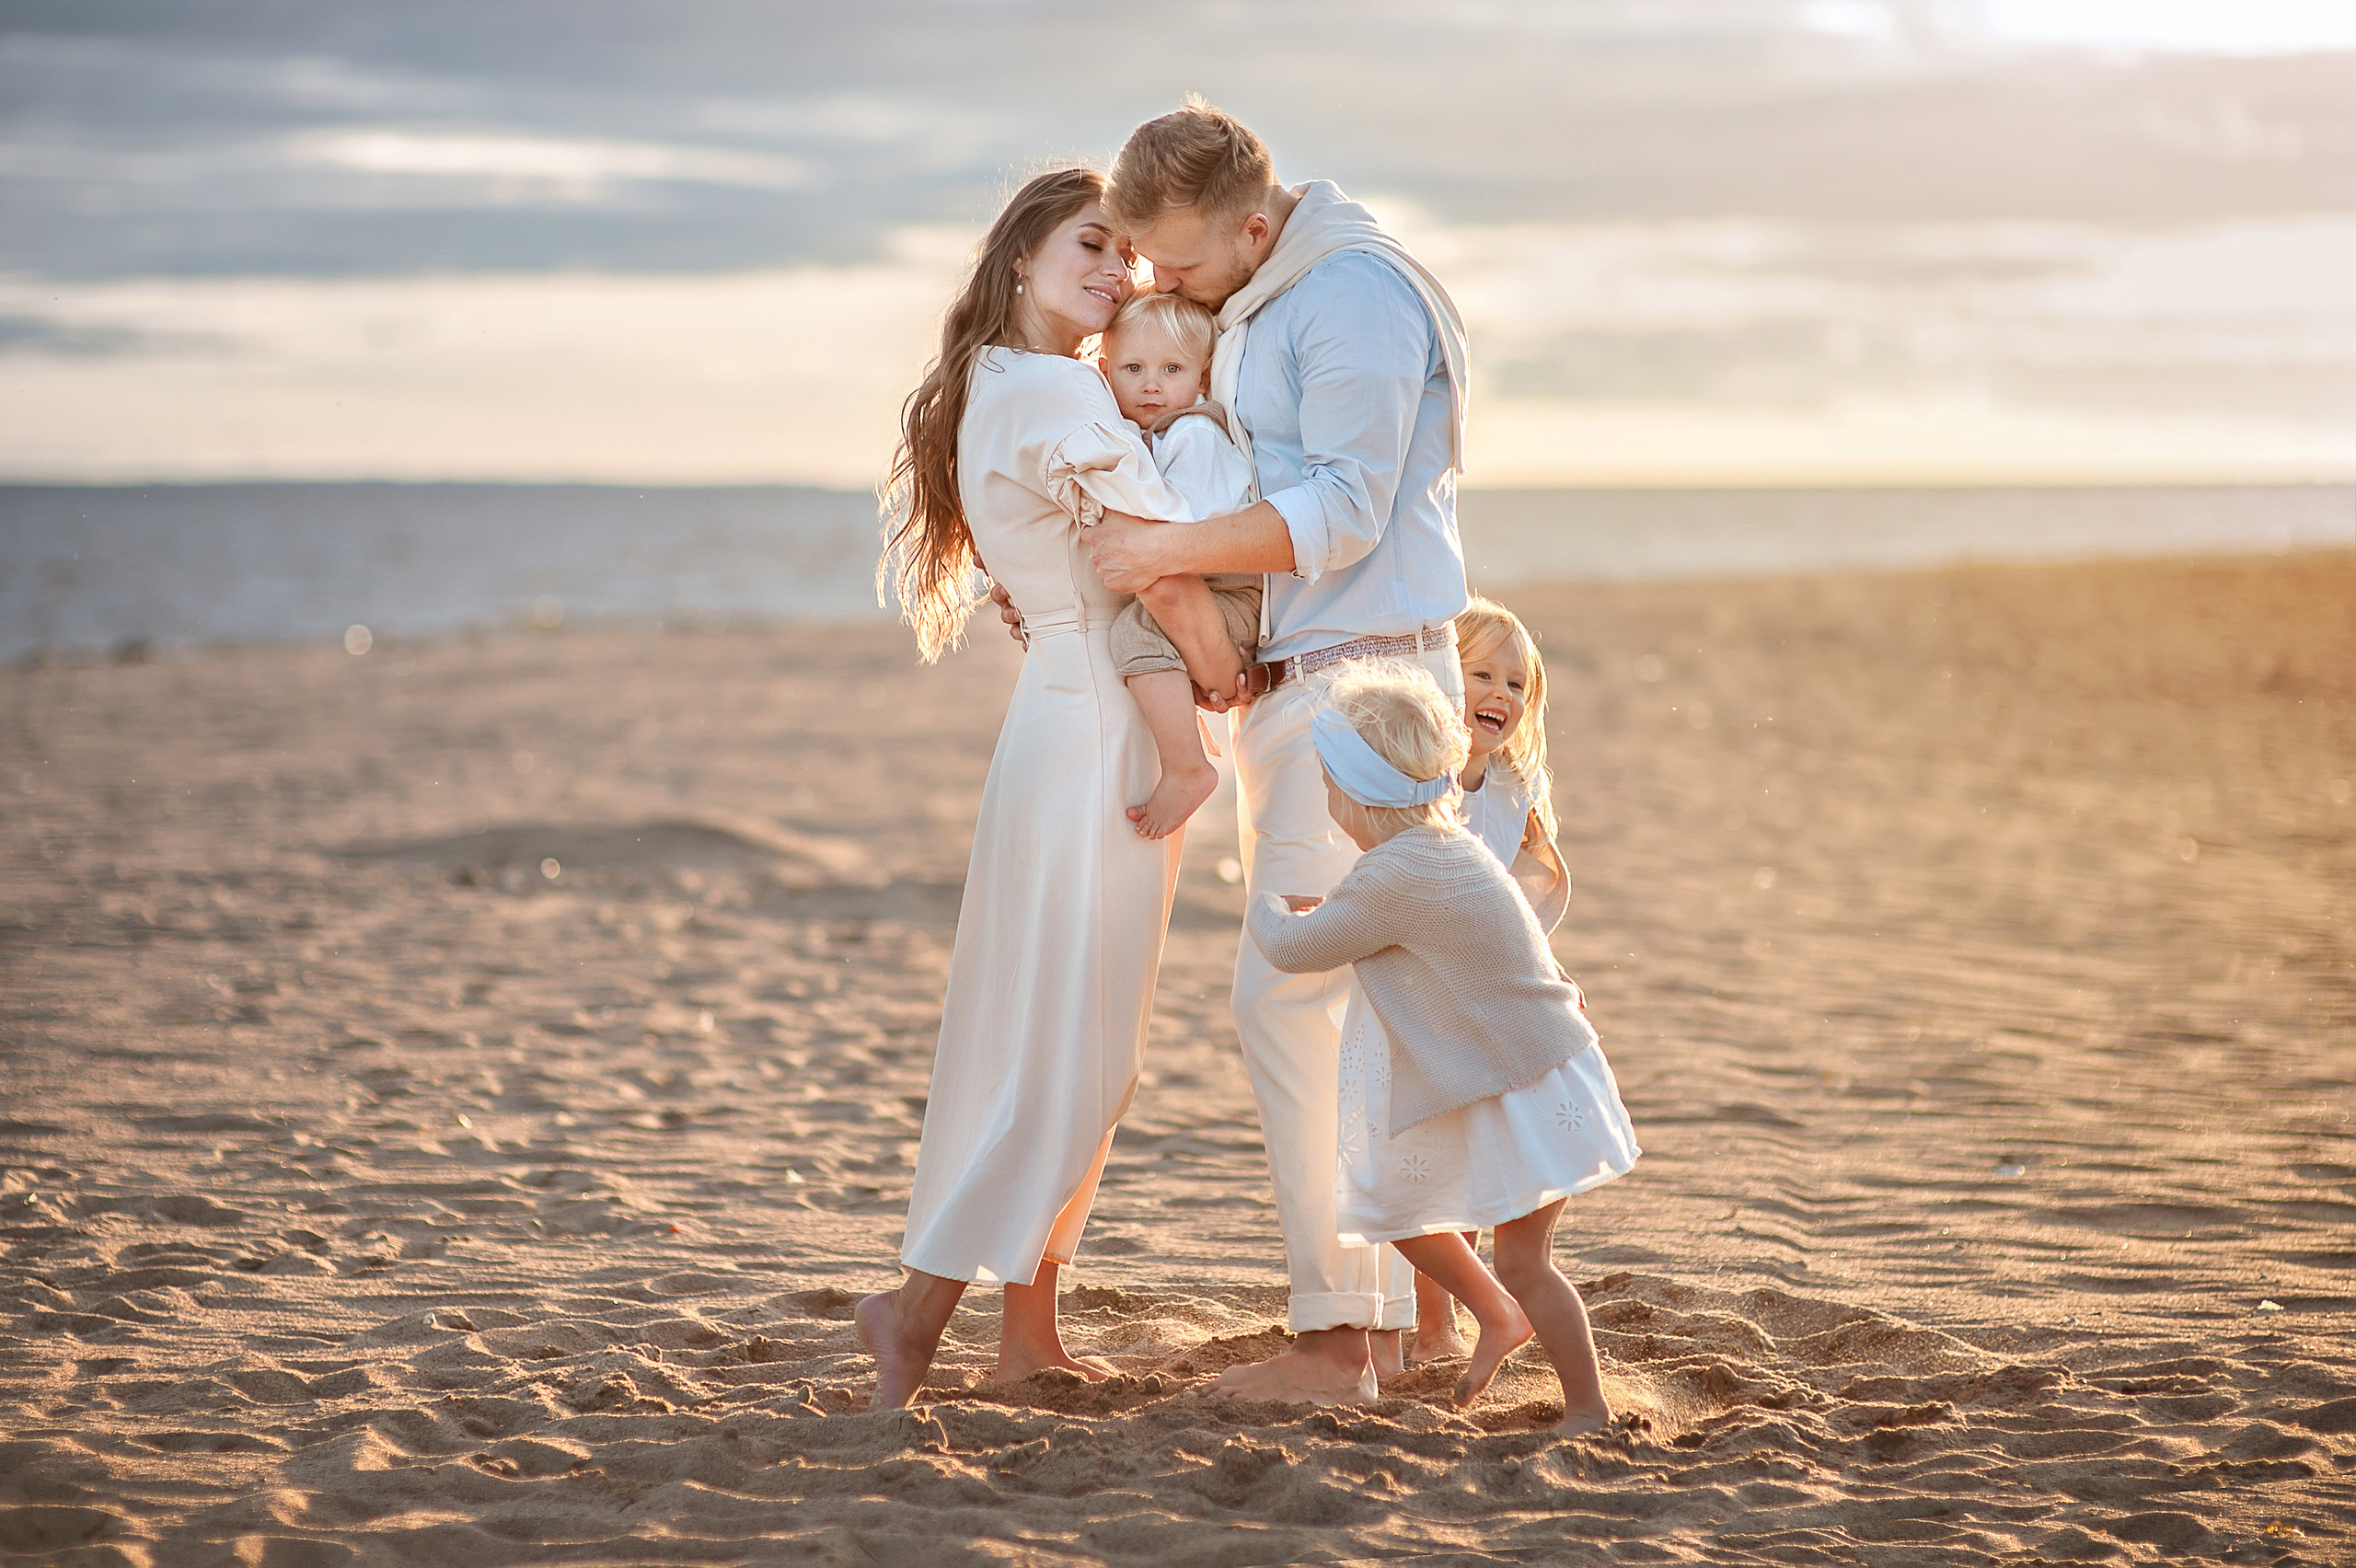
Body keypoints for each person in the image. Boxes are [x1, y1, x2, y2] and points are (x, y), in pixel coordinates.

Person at [1080, 97, 1476, 1403]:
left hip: (1356, 689)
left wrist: (1167, 550)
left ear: (1255, 226)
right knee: (1362, 1008)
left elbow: (1351, 510)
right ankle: (1410, 1320)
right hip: (1311, 689)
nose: (1167, 289)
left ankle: (1340, 1344)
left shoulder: (1348, 295)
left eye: (1183, 266)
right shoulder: (1274, 293)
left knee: (1290, 998)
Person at [860, 167, 1198, 1411]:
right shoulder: (1059, 389)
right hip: (1100, 730)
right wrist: (1212, 701)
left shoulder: (1002, 386)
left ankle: (1028, 1335)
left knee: (1048, 1040)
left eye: (1132, 260)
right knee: (1072, 1060)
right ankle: (912, 1315)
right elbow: (1160, 552)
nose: (1121, 273)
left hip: (1058, 721)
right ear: (1019, 260)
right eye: (1092, 247)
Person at [1245, 665, 1640, 1435]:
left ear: (1350, 794)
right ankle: (1516, 1332)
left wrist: (1267, 905)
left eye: (1328, 783)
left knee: (1485, 1244)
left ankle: (1573, 1391)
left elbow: (1300, 948)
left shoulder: (1392, 874)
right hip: (1533, 1073)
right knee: (1463, 1232)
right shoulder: (1443, 848)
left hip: (1521, 1085)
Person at [1412, 594, 1572, 1362]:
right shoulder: (1425, 783)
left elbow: (1524, 894)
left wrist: (1543, 977)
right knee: (1430, 1165)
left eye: (1517, 685)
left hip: (1493, 1002)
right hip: (1428, 999)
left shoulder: (1511, 792)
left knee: (1474, 1161)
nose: (1499, 695)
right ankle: (1434, 1323)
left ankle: (1471, 1315)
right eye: (1481, 674)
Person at [1095, 291, 1262, 840]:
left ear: (1203, 378)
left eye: (1172, 369)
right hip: (1211, 587)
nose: (1151, 384)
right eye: (1133, 368)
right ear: (1105, 372)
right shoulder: (1158, 435)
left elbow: (1175, 530)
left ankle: (1188, 768)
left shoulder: (1192, 435)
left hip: (1229, 590)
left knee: (1135, 633)